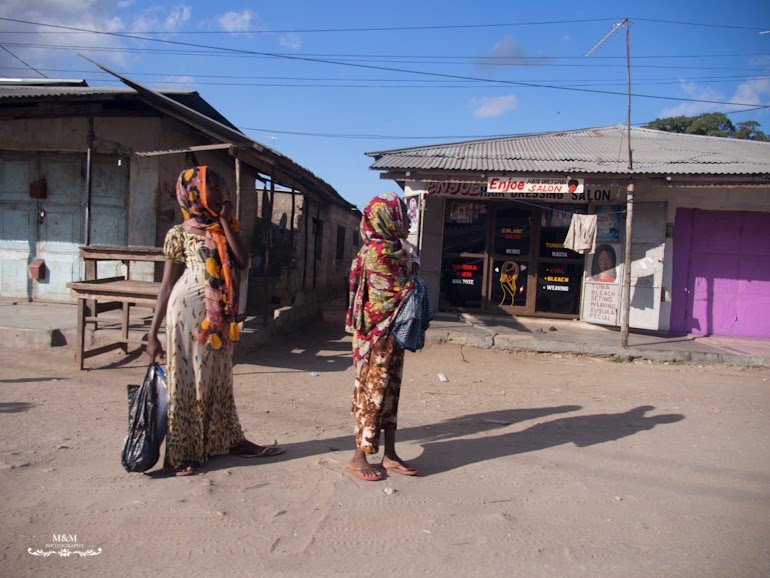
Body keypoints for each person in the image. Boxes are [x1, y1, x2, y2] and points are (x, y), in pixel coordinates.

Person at [147, 166, 283, 476]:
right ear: (195, 193)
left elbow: (243, 261)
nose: (222, 193)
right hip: (186, 314)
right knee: (189, 379)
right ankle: (186, 452)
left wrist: (223, 220)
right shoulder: (178, 233)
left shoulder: (224, 228)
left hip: (218, 316)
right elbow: (166, 286)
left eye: (221, 187)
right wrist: (152, 333)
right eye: (215, 188)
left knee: (220, 377)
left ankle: (230, 440)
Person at [344, 192, 418, 481]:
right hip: (375, 335)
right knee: (372, 393)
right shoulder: (379, 253)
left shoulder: (397, 249)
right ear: (387, 218)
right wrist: (413, 271)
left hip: (393, 333)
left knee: (390, 392)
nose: (407, 219)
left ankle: (390, 454)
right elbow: (399, 290)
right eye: (401, 213)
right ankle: (358, 457)